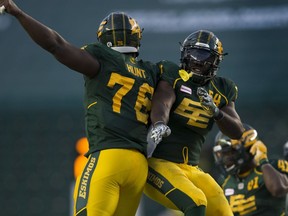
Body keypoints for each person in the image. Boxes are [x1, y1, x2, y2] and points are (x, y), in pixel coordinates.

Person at [0, 1, 162, 215]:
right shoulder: (150, 72)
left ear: (103, 38)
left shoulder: (103, 59)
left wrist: (18, 13)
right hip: (139, 166)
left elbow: (55, 44)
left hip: (108, 157)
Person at [144, 29, 245, 216]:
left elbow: (238, 131)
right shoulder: (172, 74)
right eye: (193, 53)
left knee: (222, 209)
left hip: (190, 168)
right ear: (184, 53)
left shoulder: (222, 89)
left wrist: (216, 112)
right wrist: (159, 123)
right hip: (158, 163)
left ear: (215, 61)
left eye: (204, 56)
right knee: (196, 202)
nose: (197, 60)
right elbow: (163, 100)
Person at [213, 124, 288, 215]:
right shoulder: (225, 182)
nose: (225, 160)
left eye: (229, 153)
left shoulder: (274, 167)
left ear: (247, 149)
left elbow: (278, 189)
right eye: (223, 155)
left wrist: (263, 161)